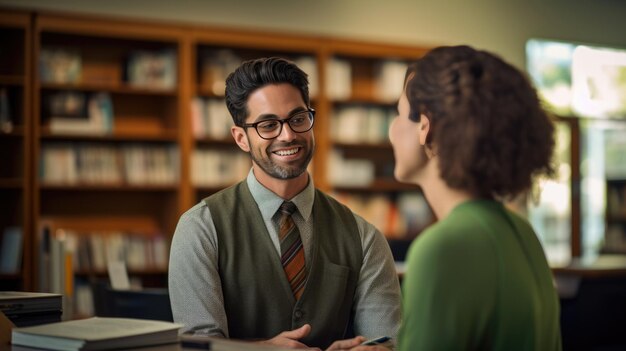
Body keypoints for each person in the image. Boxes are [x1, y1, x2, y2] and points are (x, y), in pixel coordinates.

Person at [168, 57, 401, 350]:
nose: (288, 135)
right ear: (241, 138)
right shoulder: (200, 228)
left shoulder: (364, 236)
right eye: (268, 124)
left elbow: (386, 341)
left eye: (298, 118)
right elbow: (198, 346)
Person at [384, 45, 562, 350]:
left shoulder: (442, 248)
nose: (391, 130)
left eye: (399, 114)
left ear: (425, 127)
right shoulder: (522, 232)